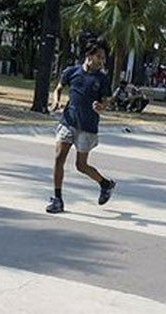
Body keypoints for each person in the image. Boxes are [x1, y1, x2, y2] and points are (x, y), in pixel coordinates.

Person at [46, 40, 116, 214]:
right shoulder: (71, 72)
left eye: (103, 58)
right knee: (58, 158)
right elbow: (58, 88)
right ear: (89, 55)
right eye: (98, 57)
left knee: (81, 165)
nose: (101, 61)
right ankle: (57, 199)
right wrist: (56, 101)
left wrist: (101, 107)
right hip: (68, 121)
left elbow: (106, 100)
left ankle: (105, 184)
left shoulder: (101, 78)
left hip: (88, 126)